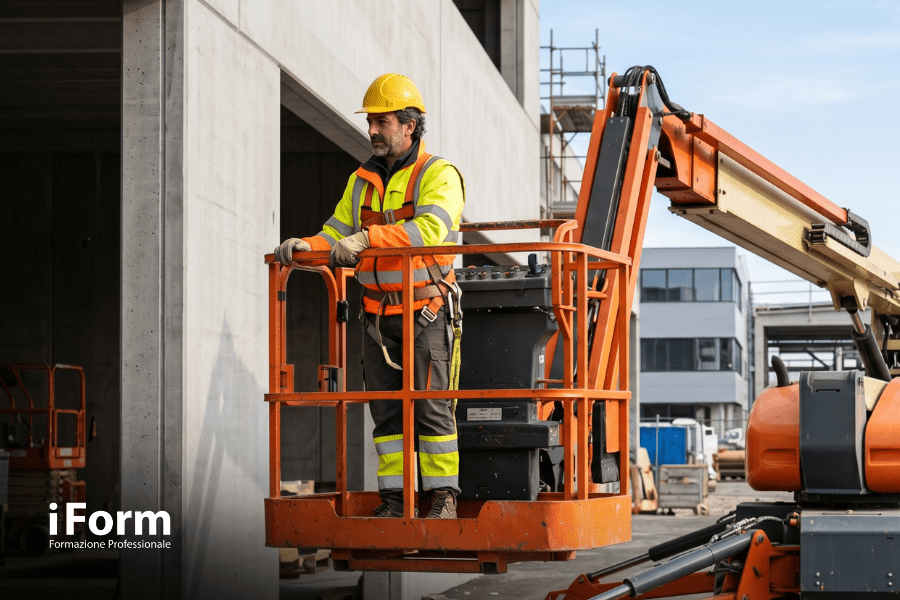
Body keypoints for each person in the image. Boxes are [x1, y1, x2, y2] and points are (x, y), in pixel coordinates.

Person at [274, 73, 464, 519]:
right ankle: (395, 501)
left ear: (409, 125)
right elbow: (334, 234)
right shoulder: (360, 180)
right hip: (377, 316)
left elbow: (431, 231)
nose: (373, 130)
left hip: (426, 312)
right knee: (385, 416)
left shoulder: (439, 174)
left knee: (432, 409)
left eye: (381, 121)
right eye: (371, 122)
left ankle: (443, 499)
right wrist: (303, 248)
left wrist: (367, 239)